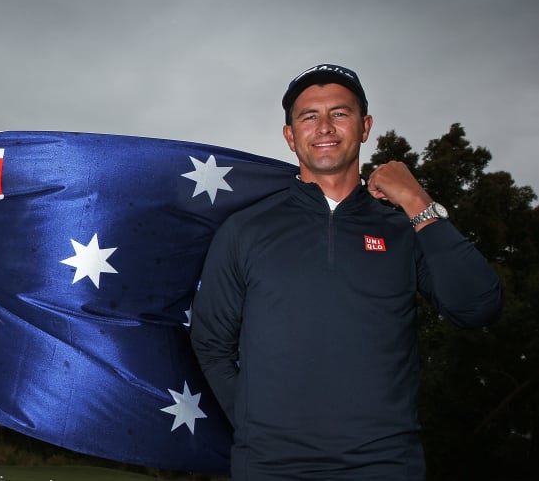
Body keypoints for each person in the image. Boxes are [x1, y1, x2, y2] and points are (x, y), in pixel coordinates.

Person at [191, 63, 503, 480]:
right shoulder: (245, 230)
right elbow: (211, 344)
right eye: (309, 116)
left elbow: (477, 306)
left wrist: (415, 200)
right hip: (270, 467)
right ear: (290, 136)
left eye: (339, 113)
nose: (325, 127)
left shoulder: (403, 229)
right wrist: (259, 428)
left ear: (365, 126)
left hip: (386, 466)